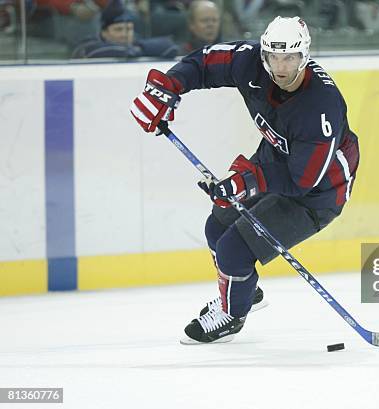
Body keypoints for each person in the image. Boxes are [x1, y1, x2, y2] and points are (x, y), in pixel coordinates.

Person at [129, 16, 360, 344]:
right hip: (274, 161)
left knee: (234, 250)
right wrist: (168, 87)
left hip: (320, 191)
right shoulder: (251, 62)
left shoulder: (320, 106)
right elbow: (206, 62)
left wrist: (246, 182)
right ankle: (244, 292)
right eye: (273, 57)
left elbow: (302, 180)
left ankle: (232, 317)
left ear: (304, 57)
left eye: (290, 58)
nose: (280, 67)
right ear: (263, 54)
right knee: (217, 229)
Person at [72, 0, 179, 58]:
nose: (124, 34)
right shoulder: (89, 44)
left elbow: (170, 47)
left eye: (129, 29)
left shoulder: (134, 44)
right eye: (118, 29)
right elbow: (93, 51)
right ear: (104, 32)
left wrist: (136, 49)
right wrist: (135, 50)